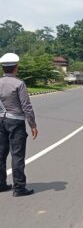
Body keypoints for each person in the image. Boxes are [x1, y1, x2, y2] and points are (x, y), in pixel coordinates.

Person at [0, 53, 38, 197]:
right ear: (16, 68)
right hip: (15, 121)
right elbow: (26, 106)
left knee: (1, 154)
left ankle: (1, 184)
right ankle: (19, 187)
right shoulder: (19, 83)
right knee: (17, 154)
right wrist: (33, 124)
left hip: (0, 121)